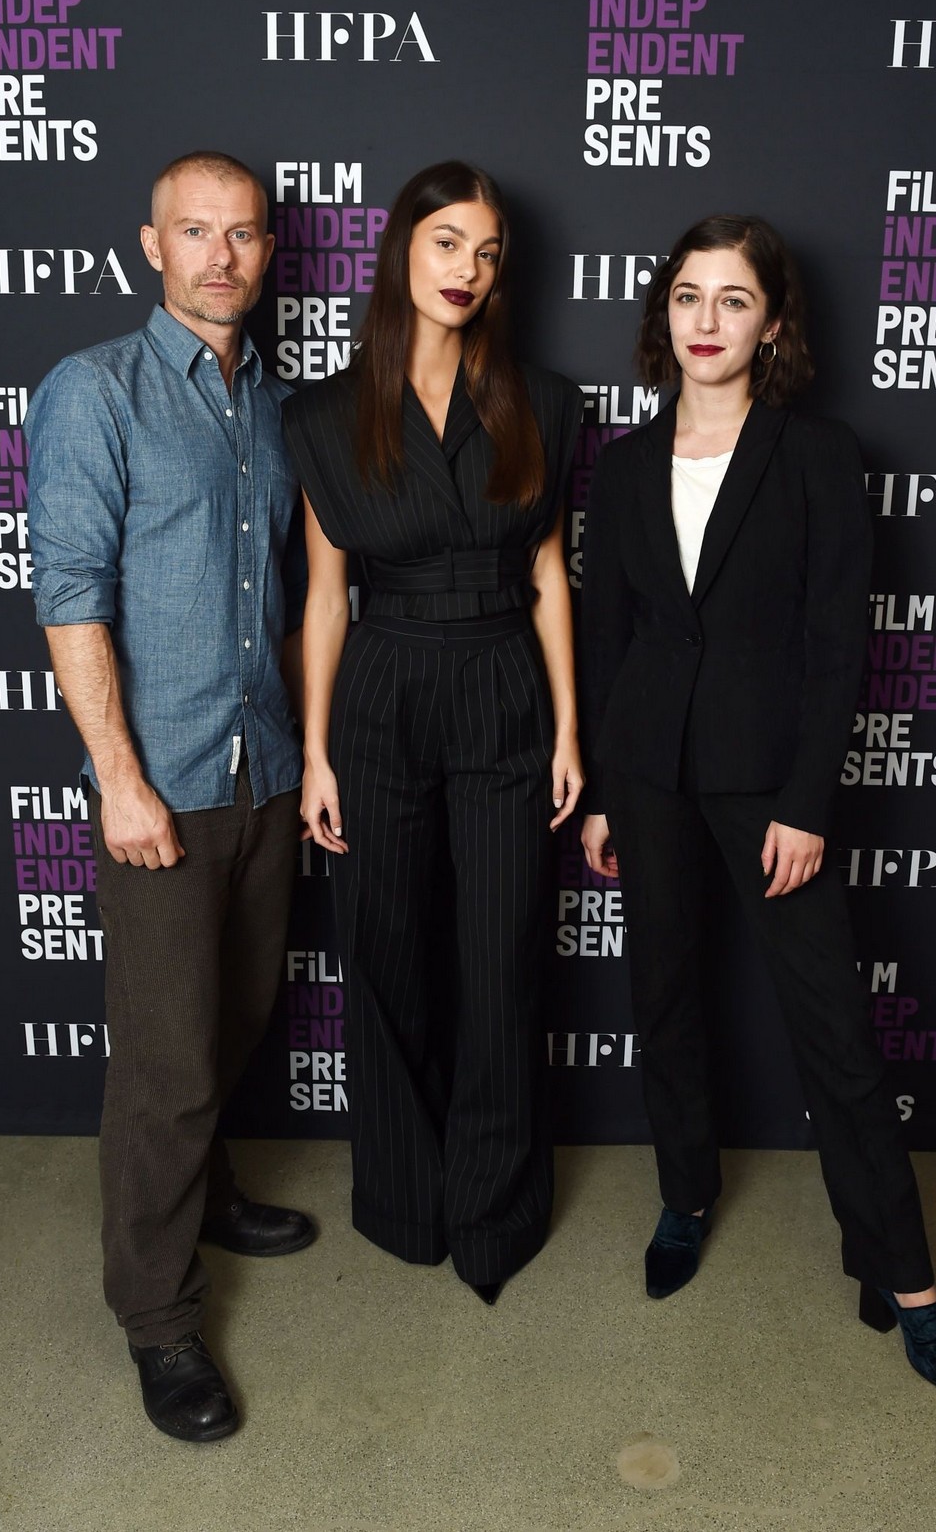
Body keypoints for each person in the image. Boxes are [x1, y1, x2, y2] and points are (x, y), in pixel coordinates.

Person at [579, 214, 936, 1403]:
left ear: (772, 322)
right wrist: (605, 789)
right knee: (663, 997)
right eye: (690, 296)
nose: (707, 322)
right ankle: (686, 1193)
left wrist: (807, 801)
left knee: (836, 1038)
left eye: (734, 300)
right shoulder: (616, 463)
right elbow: (610, 642)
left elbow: (835, 645)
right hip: (649, 774)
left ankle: (904, 1277)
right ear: (664, 313)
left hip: (770, 787)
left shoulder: (816, 455)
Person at [26, 151, 315, 1442]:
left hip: (263, 772)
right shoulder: (95, 389)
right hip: (168, 790)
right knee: (165, 1066)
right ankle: (157, 1316)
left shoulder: (275, 402)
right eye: (195, 232)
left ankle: (207, 1192)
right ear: (151, 244)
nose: (221, 256)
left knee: (236, 1020)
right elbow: (70, 594)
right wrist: (120, 780)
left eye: (243, 234)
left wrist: (306, 753)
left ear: (267, 250)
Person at [283, 160, 583, 1305]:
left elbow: (553, 575)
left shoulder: (543, 401)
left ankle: (495, 1210)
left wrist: (564, 728)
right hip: (382, 689)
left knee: (504, 959)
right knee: (390, 950)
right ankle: (406, 1198)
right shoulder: (320, 413)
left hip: (505, 679)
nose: (468, 269)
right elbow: (323, 595)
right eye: (448, 241)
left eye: (489, 251)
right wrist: (316, 751)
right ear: (403, 247)